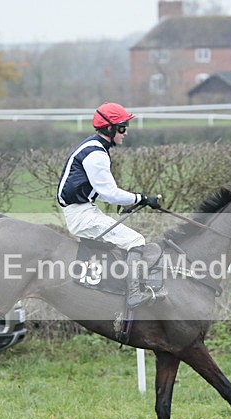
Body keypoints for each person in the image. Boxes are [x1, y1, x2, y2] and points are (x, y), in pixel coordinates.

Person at [56, 102, 163, 307]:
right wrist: (141, 198)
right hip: (81, 215)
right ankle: (134, 294)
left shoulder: (95, 148)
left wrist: (130, 202)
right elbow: (110, 193)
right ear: (109, 128)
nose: (125, 133)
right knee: (136, 240)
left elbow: (103, 192)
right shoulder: (96, 154)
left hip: (84, 209)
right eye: (122, 128)